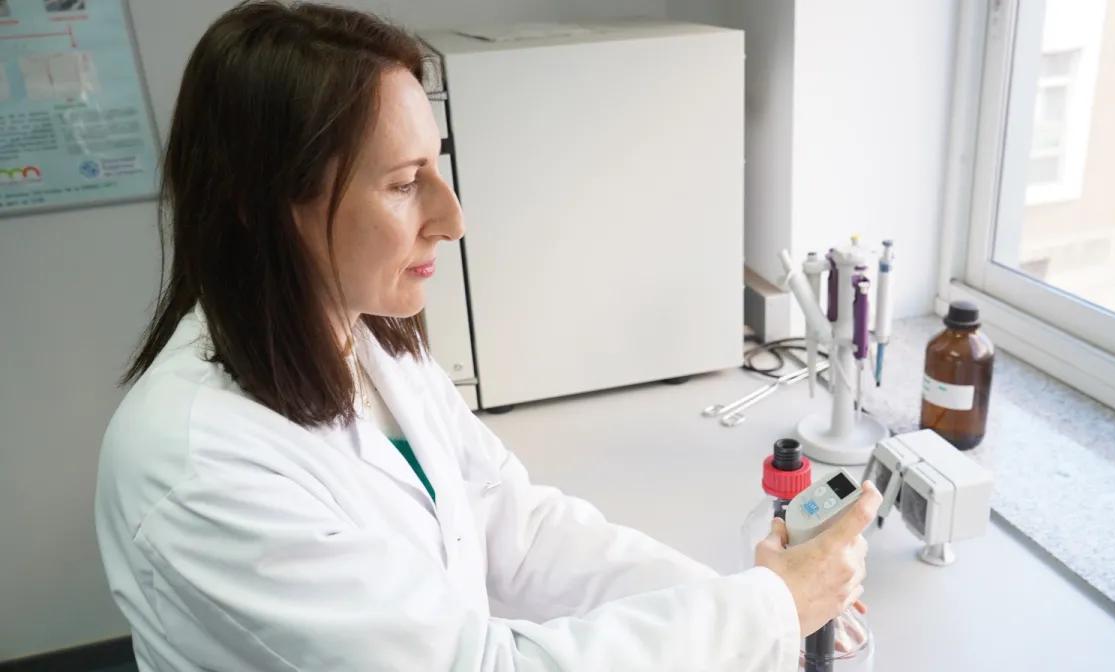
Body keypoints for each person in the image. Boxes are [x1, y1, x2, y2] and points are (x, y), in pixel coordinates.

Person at [94, 2, 882, 670]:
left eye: (434, 168)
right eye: (404, 184)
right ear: (261, 204)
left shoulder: (368, 342)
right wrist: (768, 612)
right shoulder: (196, 469)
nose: (453, 218)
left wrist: (747, 600)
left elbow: (518, 529)